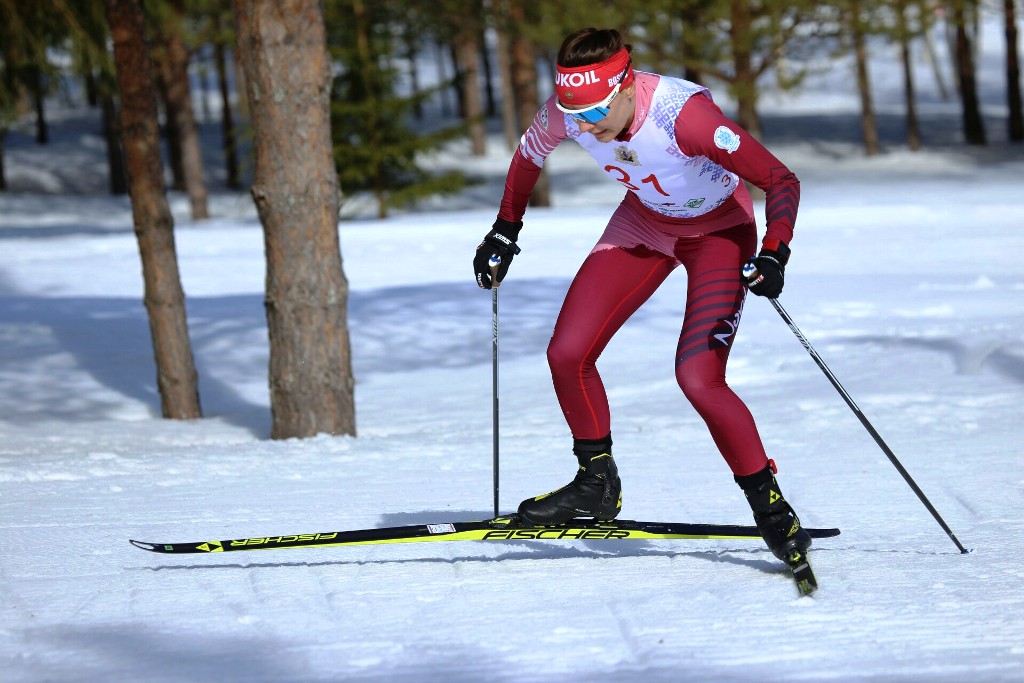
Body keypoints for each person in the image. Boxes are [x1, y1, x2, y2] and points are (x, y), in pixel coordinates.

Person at [473, 27, 810, 565]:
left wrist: (774, 250)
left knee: (697, 377)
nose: (584, 126)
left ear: (626, 86)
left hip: (718, 234)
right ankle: (595, 482)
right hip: (643, 225)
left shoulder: (685, 117)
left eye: (594, 114)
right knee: (566, 353)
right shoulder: (568, 109)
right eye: (573, 115)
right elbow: (527, 155)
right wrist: (504, 228)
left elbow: (781, 179)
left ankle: (769, 505)